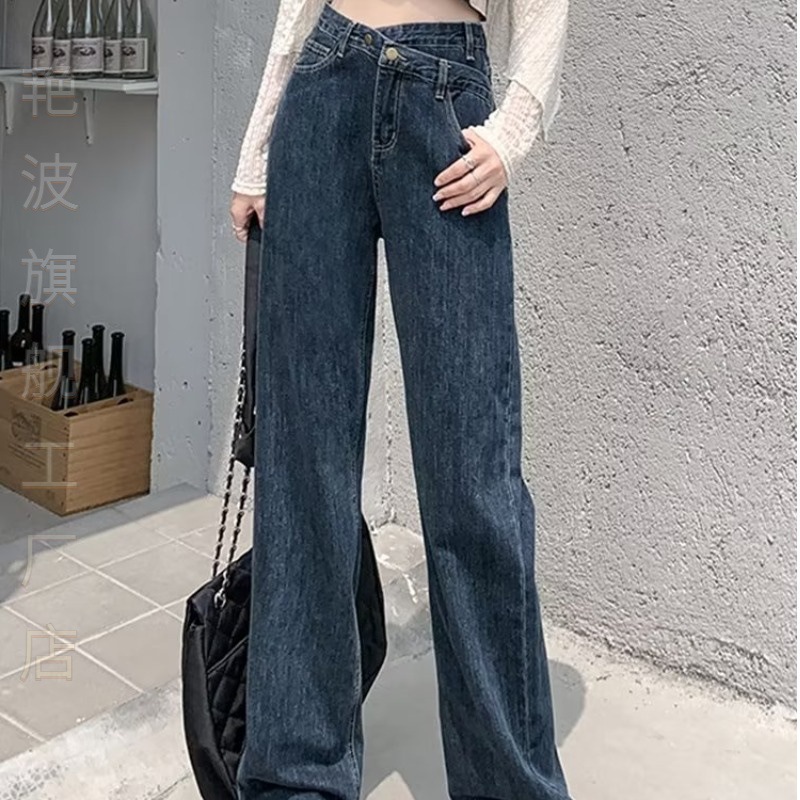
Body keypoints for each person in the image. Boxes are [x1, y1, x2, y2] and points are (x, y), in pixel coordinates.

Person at [229, 1, 572, 798]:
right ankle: (293, 775)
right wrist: (256, 153)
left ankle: (508, 783)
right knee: (302, 463)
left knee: (473, 476)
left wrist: (512, 132)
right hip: (323, 82)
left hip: (445, 99)